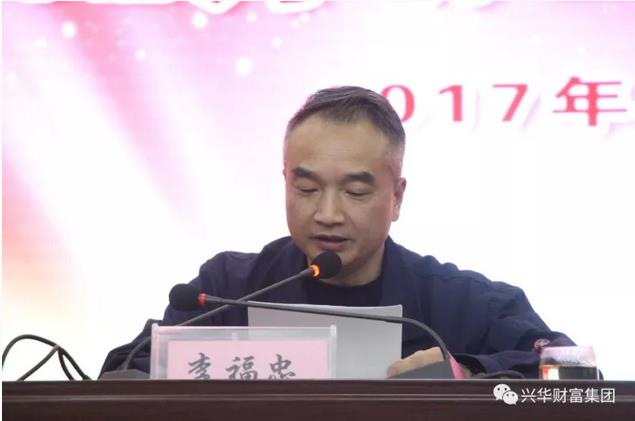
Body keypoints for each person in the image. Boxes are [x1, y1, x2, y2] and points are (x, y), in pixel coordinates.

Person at [101, 86, 573, 378]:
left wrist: (466, 374)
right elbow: (126, 370)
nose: (327, 213)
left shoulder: (461, 302)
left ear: (397, 197)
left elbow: (574, 374)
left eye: (355, 192)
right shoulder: (227, 289)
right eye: (306, 188)